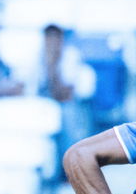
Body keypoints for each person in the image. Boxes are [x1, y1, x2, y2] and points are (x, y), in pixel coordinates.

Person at [38, 25, 96, 165]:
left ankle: (72, 166)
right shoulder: (38, 54)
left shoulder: (70, 55)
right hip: (43, 103)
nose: (51, 43)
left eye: (55, 38)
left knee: (66, 114)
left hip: (66, 104)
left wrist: (52, 65)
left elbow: (65, 93)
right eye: (48, 38)